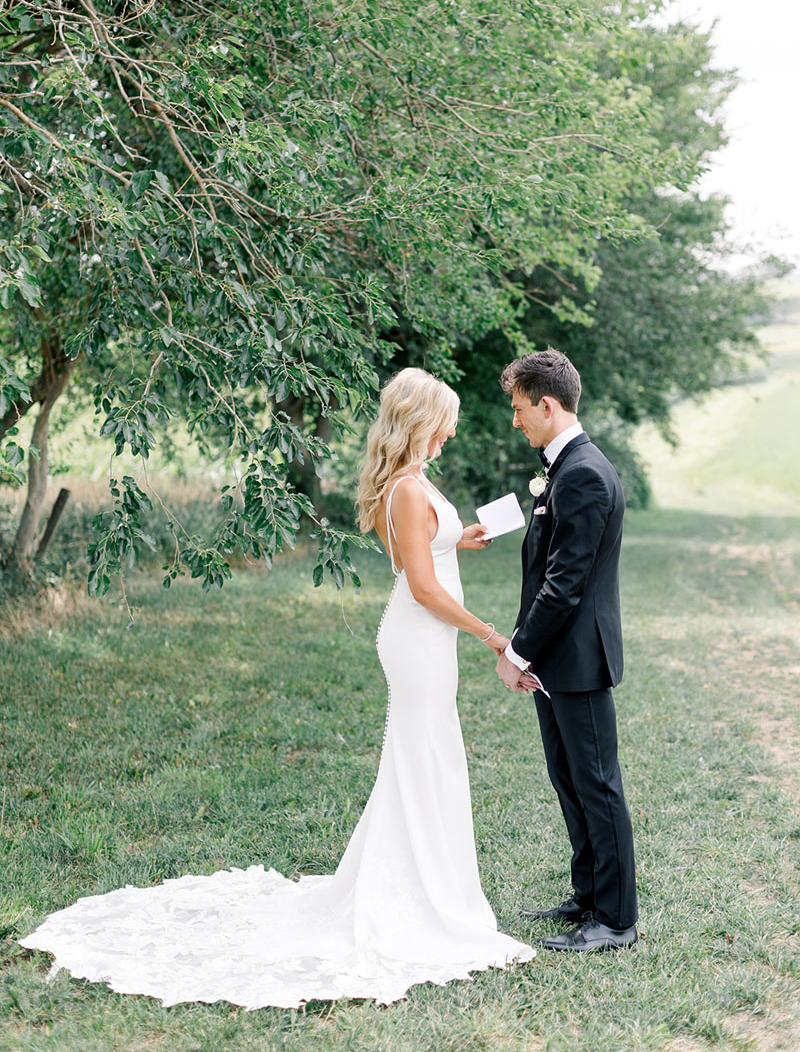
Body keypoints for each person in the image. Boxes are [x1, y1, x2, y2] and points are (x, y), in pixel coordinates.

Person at [20, 367, 534, 1007]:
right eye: (447, 419)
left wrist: (462, 536)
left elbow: (427, 547)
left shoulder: (414, 484)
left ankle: (429, 883)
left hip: (429, 641)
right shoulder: (404, 489)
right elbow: (421, 584)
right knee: (424, 756)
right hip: (418, 637)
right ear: (422, 421)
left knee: (430, 757)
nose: (454, 431)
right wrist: (492, 635)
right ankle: (417, 893)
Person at [495, 349, 638, 952]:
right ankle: (587, 897)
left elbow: (565, 583)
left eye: (520, 409)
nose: (516, 420)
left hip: (576, 660)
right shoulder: (564, 467)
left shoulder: (581, 472)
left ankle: (616, 919)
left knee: (597, 783)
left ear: (547, 405)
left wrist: (517, 651)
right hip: (558, 658)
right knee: (569, 779)